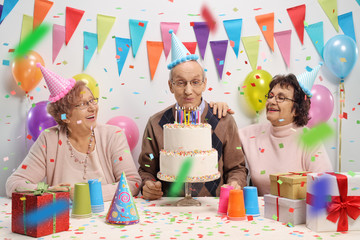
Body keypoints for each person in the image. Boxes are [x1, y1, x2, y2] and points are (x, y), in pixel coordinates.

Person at [6, 64, 141, 201]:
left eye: (92, 101)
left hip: (106, 217)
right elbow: (13, 184)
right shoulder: (49, 139)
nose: (92, 108)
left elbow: (132, 183)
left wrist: (85, 194)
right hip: (62, 219)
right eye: (83, 104)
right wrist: (48, 191)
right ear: (66, 116)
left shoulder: (113, 135)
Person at [138, 30, 247, 200]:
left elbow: (237, 168)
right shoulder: (156, 123)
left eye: (195, 82)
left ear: (204, 84)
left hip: (213, 208)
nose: (188, 91)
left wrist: (235, 183)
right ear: (171, 86)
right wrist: (148, 184)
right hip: (169, 209)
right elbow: (146, 168)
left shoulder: (223, 120)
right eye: (181, 83)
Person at [239, 70, 333, 196]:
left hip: (299, 213)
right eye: (271, 96)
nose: (272, 101)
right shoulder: (250, 134)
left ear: (297, 109)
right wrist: (216, 110)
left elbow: (326, 187)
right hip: (262, 213)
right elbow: (222, 138)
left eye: (281, 98)